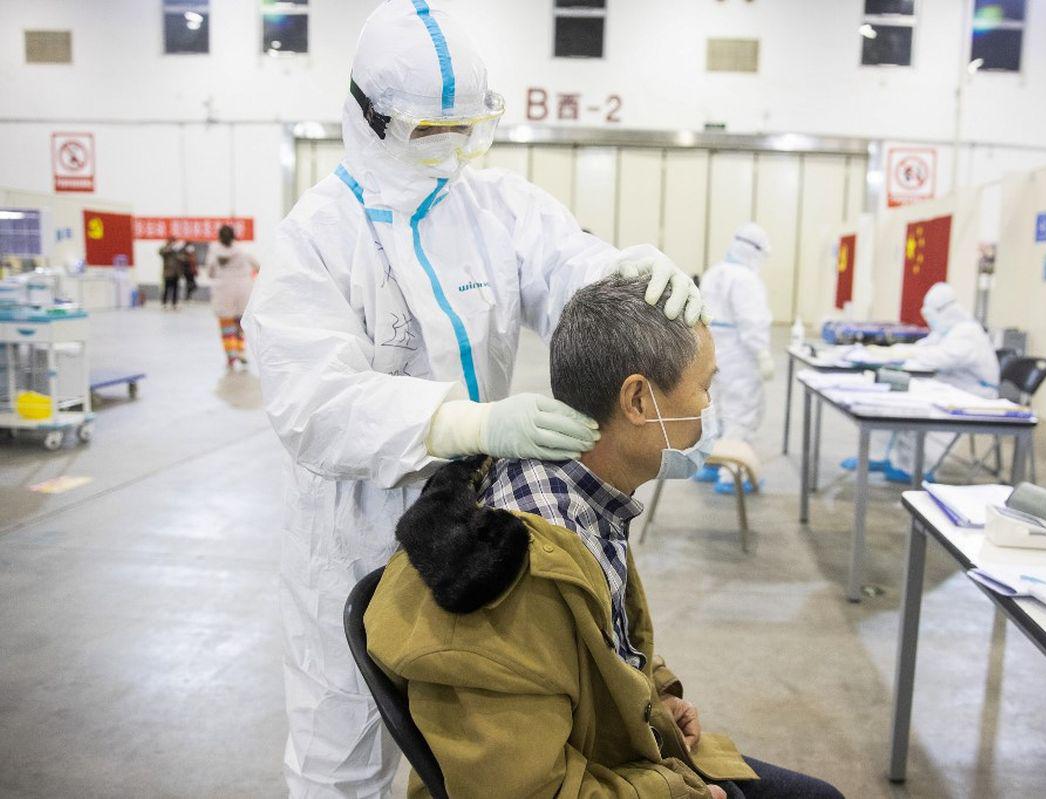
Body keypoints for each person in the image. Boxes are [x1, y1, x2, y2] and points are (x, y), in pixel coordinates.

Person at [242, 3, 704, 796]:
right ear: (369, 117)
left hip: (470, 527)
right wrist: (471, 423)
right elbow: (312, 404)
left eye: (468, 128)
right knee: (339, 760)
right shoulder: (317, 239)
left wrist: (618, 268)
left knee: (474, 730)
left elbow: (565, 266)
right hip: (352, 529)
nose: (451, 150)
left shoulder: (493, 207)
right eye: (429, 131)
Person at [366, 274, 843, 799]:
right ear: (638, 400)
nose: (711, 408)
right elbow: (528, 793)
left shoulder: (588, 495)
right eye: (704, 386)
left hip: (611, 755)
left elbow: (601, 642)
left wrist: (654, 695)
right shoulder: (513, 580)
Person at [846, 282, 1000, 482]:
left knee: (916, 408)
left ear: (947, 311)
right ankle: (881, 456)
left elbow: (939, 357)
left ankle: (914, 468)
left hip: (974, 395)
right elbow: (924, 347)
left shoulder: (968, 332)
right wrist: (893, 351)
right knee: (893, 401)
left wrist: (903, 353)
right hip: (949, 387)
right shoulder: (946, 331)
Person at [696, 223, 774, 494]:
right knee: (742, 411)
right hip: (740, 353)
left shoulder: (714, 272)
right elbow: (752, 320)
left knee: (713, 410)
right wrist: (762, 353)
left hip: (712, 351)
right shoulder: (746, 279)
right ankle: (734, 476)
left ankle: (711, 463)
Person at [206, 225, 259, 370]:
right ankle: (241, 352)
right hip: (243, 292)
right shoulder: (243, 251)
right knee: (239, 325)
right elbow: (258, 266)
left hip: (223, 293)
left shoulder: (213, 252)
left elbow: (210, 272)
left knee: (226, 327)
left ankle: (231, 355)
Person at [158, 236, 186, 310]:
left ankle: (174, 304)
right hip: (167, 273)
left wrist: (178, 254)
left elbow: (184, 258)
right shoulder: (165, 248)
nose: (173, 242)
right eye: (171, 241)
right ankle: (164, 303)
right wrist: (170, 248)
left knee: (175, 289)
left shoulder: (178, 250)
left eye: (174, 241)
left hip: (176, 273)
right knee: (166, 289)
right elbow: (161, 252)